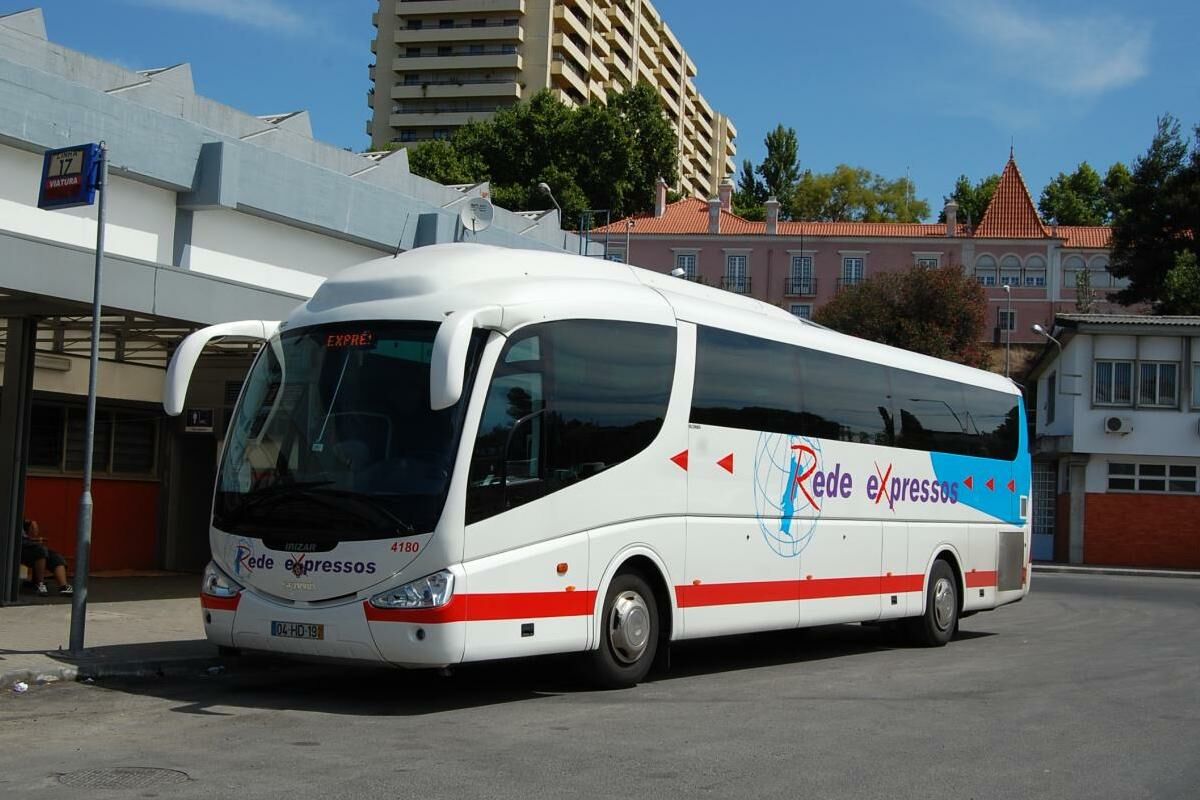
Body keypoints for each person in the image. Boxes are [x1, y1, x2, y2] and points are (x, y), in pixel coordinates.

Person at [20, 519, 73, 596]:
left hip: (27, 542)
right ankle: (40, 584)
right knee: (40, 550)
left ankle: (63, 586)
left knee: (55, 556)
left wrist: (31, 522)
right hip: (16, 543)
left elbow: (25, 523)